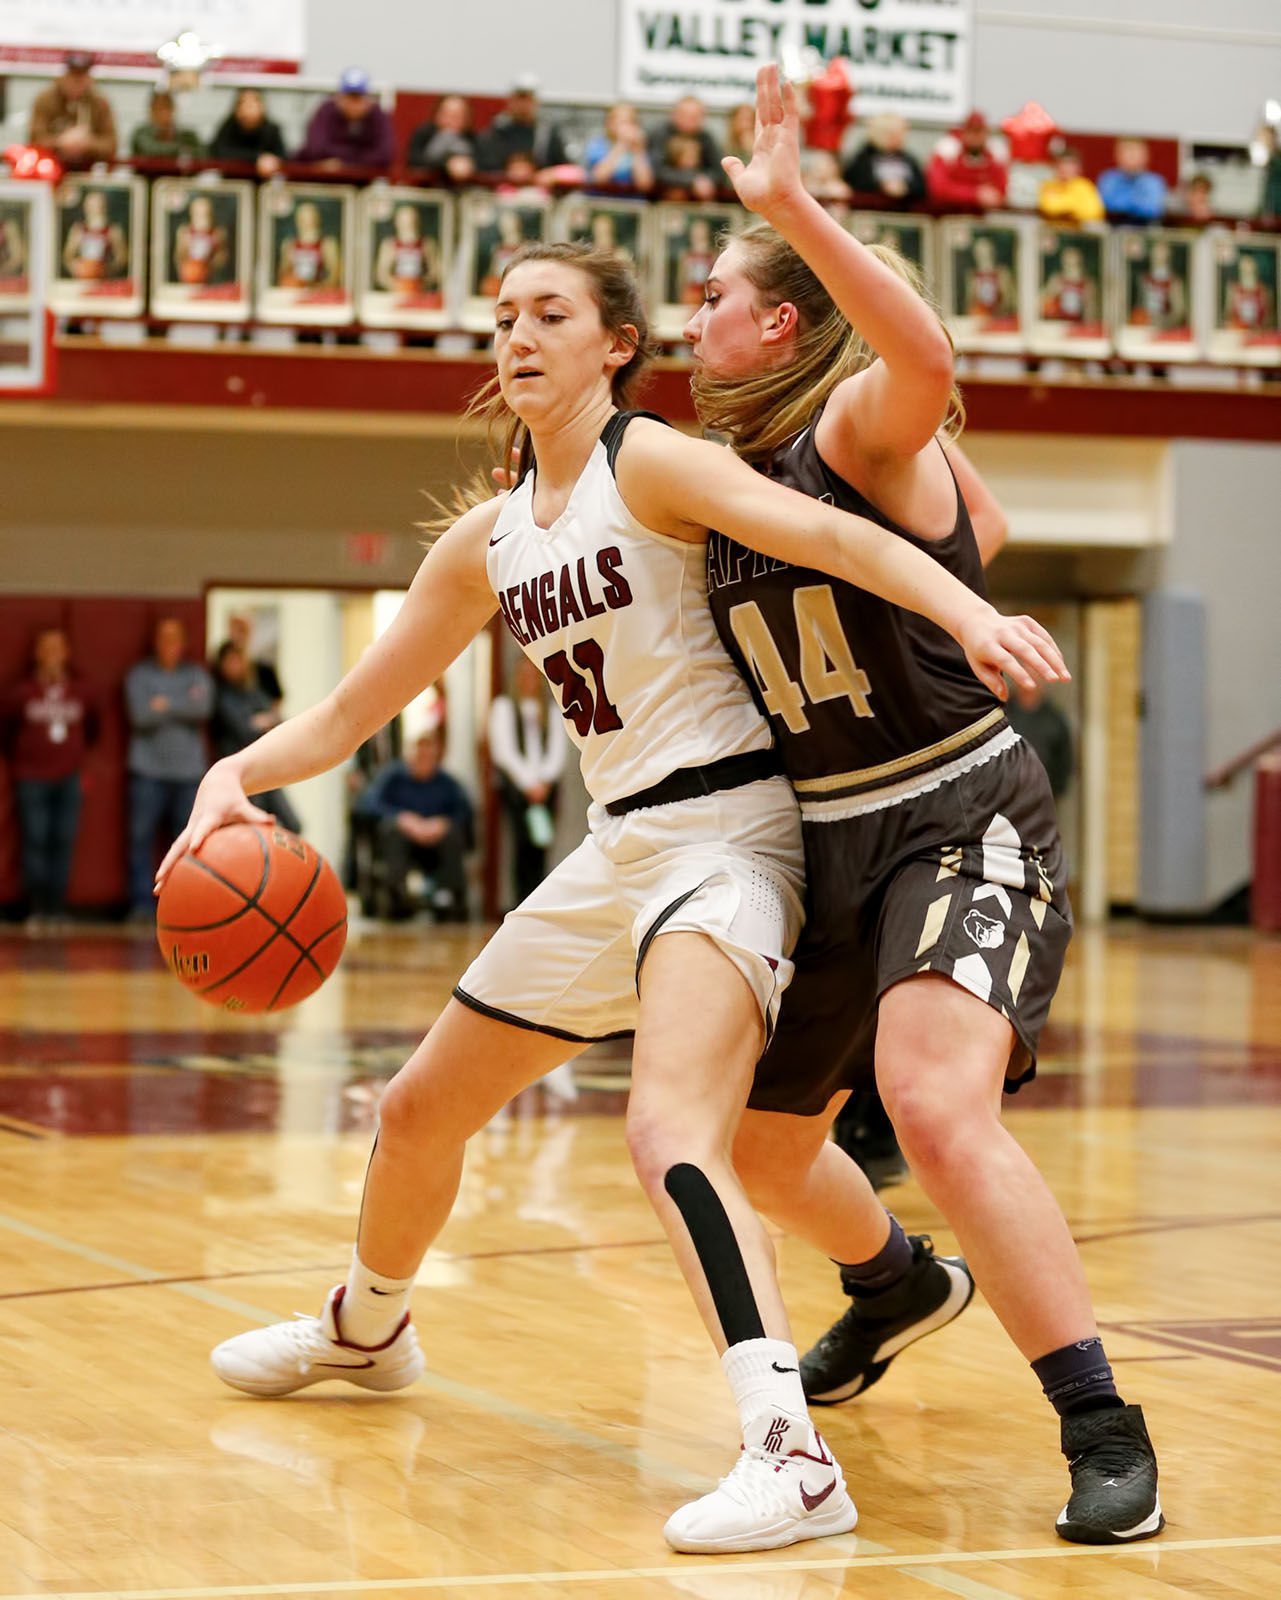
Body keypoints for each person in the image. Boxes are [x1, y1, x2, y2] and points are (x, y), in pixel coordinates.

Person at [159, 238, 1063, 1556]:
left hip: (733, 837)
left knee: (669, 1128)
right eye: (505, 315)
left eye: (551, 314)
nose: (518, 336)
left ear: (615, 344)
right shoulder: (492, 538)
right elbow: (360, 707)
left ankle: (787, 1454)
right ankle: (369, 1329)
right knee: (418, 1110)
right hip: (616, 848)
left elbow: (828, 530)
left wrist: (964, 613)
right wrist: (231, 776)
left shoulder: (653, 461)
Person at [685, 65, 1162, 1547]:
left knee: (936, 1103)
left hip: (957, 806)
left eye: (715, 294)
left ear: (779, 321)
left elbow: (923, 347)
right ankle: (896, 1283)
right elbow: (995, 524)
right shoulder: (734, 473)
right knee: (766, 1151)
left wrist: (791, 205)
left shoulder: (847, 424)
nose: (693, 318)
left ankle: (1101, 1422)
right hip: (825, 834)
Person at [1, 627, 97, 929]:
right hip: (31, 777)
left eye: (58, 647)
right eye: (46, 648)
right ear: (36, 653)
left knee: (63, 841)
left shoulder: (82, 690)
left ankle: (57, 909)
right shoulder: (22, 692)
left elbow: (94, 729)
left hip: (69, 777)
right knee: (35, 841)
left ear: (67, 652)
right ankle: (37, 910)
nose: (52, 654)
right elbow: (6, 728)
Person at [125, 617, 213, 922]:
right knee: (141, 839)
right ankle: (141, 906)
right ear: (155, 641)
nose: (169, 644)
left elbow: (202, 709)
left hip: (188, 773)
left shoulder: (196, 675)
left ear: (184, 643)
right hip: (147, 771)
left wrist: (164, 704)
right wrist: (179, 705)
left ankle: (182, 905)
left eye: (175, 638)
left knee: (187, 842)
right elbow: (141, 715)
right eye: (163, 637)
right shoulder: (140, 675)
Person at [357, 729, 472, 920]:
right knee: (392, 830)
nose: (424, 756)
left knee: (453, 834)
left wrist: (442, 823)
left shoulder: (448, 783)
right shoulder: (392, 778)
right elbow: (368, 803)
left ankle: (447, 898)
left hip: (436, 845)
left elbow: (464, 811)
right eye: (419, 750)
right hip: (403, 842)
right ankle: (396, 895)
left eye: (429, 751)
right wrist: (402, 818)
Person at [488, 655, 567, 905]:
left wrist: (544, 782)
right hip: (518, 789)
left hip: (546, 788)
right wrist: (528, 784)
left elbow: (557, 750)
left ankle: (539, 901)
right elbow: (504, 751)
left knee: (541, 845)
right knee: (521, 846)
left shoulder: (552, 710)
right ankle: (521, 900)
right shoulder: (504, 707)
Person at [210, 641, 302, 834]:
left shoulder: (252, 691)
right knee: (254, 829)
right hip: (242, 775)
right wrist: (261, 722)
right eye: (230, 661)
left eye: (238, 660)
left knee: (293, 824)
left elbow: (278, 719)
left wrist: (261, 721)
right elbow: (244, 729)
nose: (235, 665)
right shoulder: (222, 696)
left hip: (266, 769)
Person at [28, 52, 117, 166]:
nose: (77, 82)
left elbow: (111, 144)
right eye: (73, 77)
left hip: (88, 168)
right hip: (51, 166)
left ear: (89, 79)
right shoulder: (45, 100)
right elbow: (34, 140)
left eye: (81, 78)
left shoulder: (99, 102)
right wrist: (61, 142)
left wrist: (87, 143)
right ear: (64, 77)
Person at [297, 68, 394, 170]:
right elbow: (315, 148)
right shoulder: (326, 111)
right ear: (339, 97)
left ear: (367, 99)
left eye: (358, 98)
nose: (353, 104)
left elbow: (385, 155)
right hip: (321, 180)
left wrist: (343, 163)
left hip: (362, 182)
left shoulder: (378, 116)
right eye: (349, 97)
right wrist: (359, 156)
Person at [475, 76, 569, 178]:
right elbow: (482, 169)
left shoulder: (547, 135)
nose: (523, 104)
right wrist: (507, 174)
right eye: (520, 98)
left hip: (540, 191)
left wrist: (548, 174)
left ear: (536, 102)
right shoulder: (493, 134)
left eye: (528, 99)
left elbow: (567, 168)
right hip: (500, 191)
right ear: (510, 100)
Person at [926, 111, 1008, 209]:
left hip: (983, 217)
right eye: (972, 131)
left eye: (979, 131)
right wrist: (975, 194)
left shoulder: (994, 153)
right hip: (947, 214)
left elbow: (1001, 191)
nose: (975, 137)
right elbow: (937, 188)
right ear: (963, 132)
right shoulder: (948, 150)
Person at [1005, 684, 1073, 801]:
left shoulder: (1054, 717)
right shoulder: (1002, 713)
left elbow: (1064, 760)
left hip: (1042, 798)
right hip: (1004, 799)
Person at [842, 114, 926, 204]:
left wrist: (906, 187)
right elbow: (854, 183)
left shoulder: (908, 159)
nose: (897, 139)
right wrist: (881, 185)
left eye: (900, 134)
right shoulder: (862, 158)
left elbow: (921, 187)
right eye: (891, 134)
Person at [651, 96, 722, 200]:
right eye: (684, 115)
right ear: (674, 115)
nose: (689, 121)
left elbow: (718, 172)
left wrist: (704, 180)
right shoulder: (660, 134)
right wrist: (691, 180)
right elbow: (656, 170)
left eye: (694, 117)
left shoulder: (706, 138)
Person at [209, 88, 286, 175]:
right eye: (243, 103)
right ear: (236, 108)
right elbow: (219, 152)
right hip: (233, 180)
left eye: (253, 103)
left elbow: (283, 157)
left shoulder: (272, 129)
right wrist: (257, 158)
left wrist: (272, 161)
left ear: (262, 107)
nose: (248, 109)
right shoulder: (229, 126)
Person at [583, 102, 654, 195]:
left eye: (630, 122)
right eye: (621, 122)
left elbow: (645, 185)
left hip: (632, 203)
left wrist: (638, 151)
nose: (626, 127)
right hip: (600, 200)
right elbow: (598, 179)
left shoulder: (639, 147)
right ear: (609, 124)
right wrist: (621, 145)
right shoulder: (598, 144)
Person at [404, 95, 476, 182]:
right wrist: (447, 164)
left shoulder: (471, 138)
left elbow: (485, 165)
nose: (451, 120)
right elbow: (413, 162)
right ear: (437, 114)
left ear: (466, 118)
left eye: (457, 115)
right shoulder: (424, 134)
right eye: (447, 114)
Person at [375, 205, 441, 297]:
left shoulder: (428, 244)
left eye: (412, 219)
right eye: (404, 220)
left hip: (421, 294)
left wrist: (421, 285)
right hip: (395, 294)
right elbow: (381, 275)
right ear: (396, 222)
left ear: (418, 221)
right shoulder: (388, 245)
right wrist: (397, 286)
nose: (408, 223)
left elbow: (435, 273)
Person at [62, 190, 127, 281]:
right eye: (91, 204)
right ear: (85, 206)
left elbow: (122, 258)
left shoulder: (113, 230)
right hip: (82, 279)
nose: (95, 207)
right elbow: (67, 256)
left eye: (98, 204)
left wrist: (108, 270)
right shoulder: (78, 229)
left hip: (105, 281)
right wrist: (76, 268)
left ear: (104, 206)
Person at [1098, 139, 1167, 223]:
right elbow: (1105, 206)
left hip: (1145, 228)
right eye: (1127, 152)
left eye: (1135, 153)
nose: (1131, 157)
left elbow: (1152, 209)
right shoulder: (1108, 179)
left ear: (1145, 156)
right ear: (1117, 156)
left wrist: (1124, 205)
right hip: (1113, 227)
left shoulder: (1154, 182)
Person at [276, 202, 340, 290]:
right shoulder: (289, 244)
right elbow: (282, 274)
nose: (307, 221)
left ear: (317, 218)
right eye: (303, 217)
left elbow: (335, 274)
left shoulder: (327, 244)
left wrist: (320, 288)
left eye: (310, 217)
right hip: (294, 291)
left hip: (318, 293)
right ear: (297, 220)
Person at [1037, 146, 1104, 224]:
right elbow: (1048, 207)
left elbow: (1093, 212)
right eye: (1061, 164)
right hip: (1053, 229)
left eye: (1069, 164)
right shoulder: (1048, 185)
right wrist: (1072, 208)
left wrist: (1066, 209)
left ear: (1078, 167)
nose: (1064, 168)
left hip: (1079, 230)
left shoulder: (1085, 186)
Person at [130, 89, 203, 159]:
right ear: (151, 111)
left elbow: (200, 155)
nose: (163, 113)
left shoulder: (188, 134)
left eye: (166, 106)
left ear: (174, 109)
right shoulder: (141, 132)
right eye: (158, 108)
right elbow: (150, 150)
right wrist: (181, 148)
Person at [173, 194, 229, 286]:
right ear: (192, 213)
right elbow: (178, 258)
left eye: (206, 214)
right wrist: (185, 247)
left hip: (211, 281)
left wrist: (214, 250)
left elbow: (222, 260)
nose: (203, 218)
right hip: (189, 278)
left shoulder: (218, 233)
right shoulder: (184, 232)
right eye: (198, 214)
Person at [1041, 244, 1099, 325]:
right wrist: (1051, 293)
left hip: (1078, 325)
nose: (1070, 267)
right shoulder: (1056, 280)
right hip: (1058, 324)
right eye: (1067, 263)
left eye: (1073, 263)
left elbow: (1091, 315)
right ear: (1062, 262)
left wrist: (1089, 303)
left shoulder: (1087, 283)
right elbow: (1041, 304)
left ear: (1080, 262)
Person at [964, 235, 1015, 319]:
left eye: (986, 251)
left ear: (992, 252)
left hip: (999, 320)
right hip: (978, 320)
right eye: (979, 252)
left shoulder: (1003, 274)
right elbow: (969, 303)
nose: (983, 254)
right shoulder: (972, 276)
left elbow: (1010, 302)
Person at [1223, 252, 1274, 332]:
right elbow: (1228, 316)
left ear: (1255, 269)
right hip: (1238, 332)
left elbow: (1268, 318)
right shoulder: (1233, 290)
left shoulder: (1263, 290)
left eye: (1249, 268)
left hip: (1257, 334)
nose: (1247, 271)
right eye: (1244, 269)